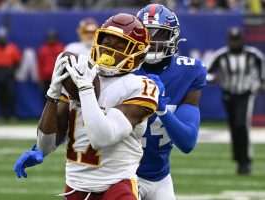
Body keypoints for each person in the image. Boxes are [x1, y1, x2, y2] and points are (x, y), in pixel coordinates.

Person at [14, 13, 159, 200]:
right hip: (75, 187)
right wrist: (52, 95)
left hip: (116, 186)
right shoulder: (79, 74)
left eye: (120, 46)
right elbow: (47, 143)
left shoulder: (139, 86)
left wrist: (85, 88)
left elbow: (102, 138)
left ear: (137, 53)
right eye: (106, 43)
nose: (109, 51)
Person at [135, 4, 207, 200]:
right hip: (121, 174)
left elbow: (187, 142)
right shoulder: (122, 69)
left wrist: (162, 111)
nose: (152, 42)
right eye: (147, 34)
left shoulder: (189, 72)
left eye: (159, 35)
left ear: (173, 37)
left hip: (160, 176)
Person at [206, 26, 265, 175]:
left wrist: (261, 82)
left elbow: (262, 66)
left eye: (237, 40)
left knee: (241, 124)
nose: (235, 43)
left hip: (246, 94)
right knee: (234, 127)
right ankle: (238, 158)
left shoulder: (253, 54)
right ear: (229, 41)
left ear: (242, 40)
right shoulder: (221, 55)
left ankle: (245, 161)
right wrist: (213, 78)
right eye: (232, 40)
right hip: (228, 95)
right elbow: (205, 73)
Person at [0, 26, 21, 120]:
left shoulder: (12, 48)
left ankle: (12, 115)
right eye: (0, 37)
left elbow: (18, 62)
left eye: (3, 37)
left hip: (9, 76)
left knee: (10, 96)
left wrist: (11, 70)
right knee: (0, 96)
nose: (1, 39)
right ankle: (2, 115)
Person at [38, 28, 64, 96]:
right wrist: (41, 77)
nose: (51, 39)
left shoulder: (61, 48)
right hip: (46, 78)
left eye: (53, 37)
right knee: (46, 96)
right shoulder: (43, 49)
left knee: (59, 96)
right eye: (50, 37)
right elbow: (40, 64)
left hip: (58, 77)